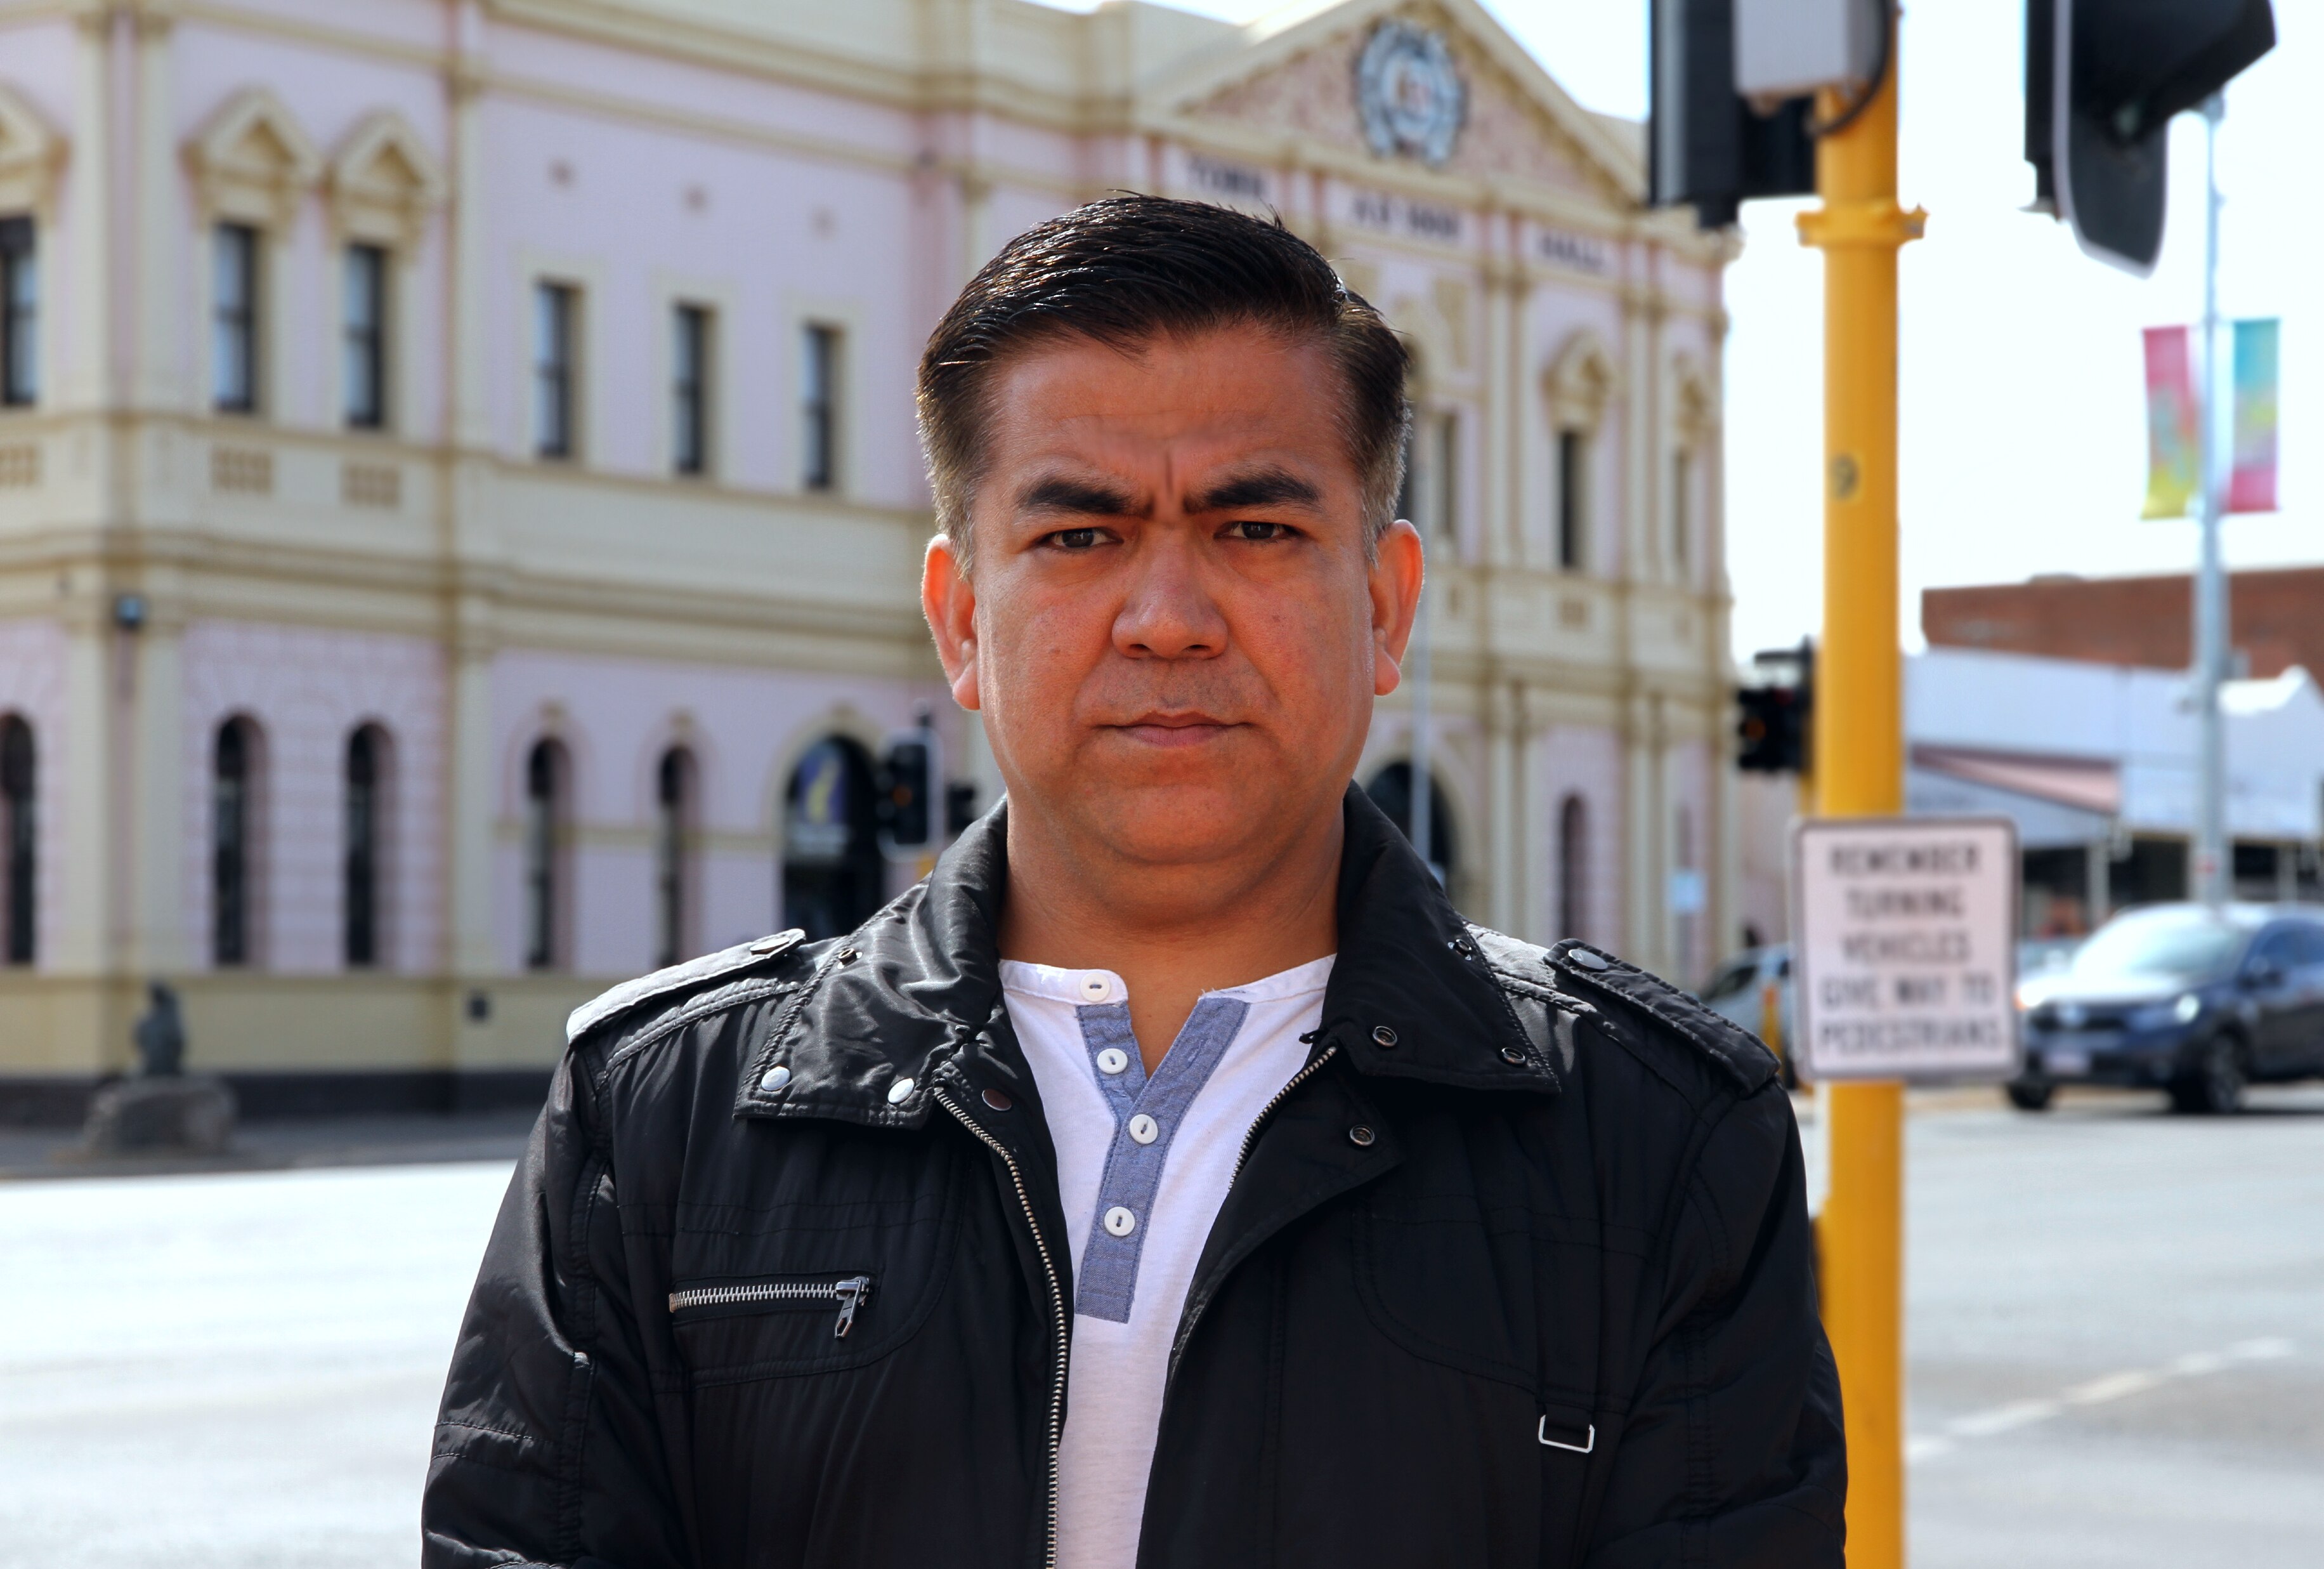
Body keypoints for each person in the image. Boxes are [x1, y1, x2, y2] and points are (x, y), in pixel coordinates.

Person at [422, 194, 1844, 1569]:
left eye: (1256, 528)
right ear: (963, 619)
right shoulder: (658, 1121)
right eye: (1079, 535)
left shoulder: (1661, 1150)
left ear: (1385, 605)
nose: (1166, 619)